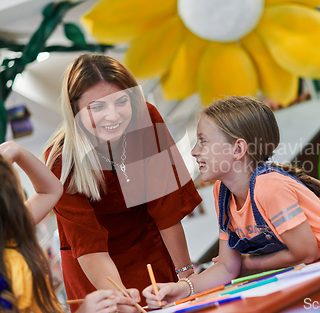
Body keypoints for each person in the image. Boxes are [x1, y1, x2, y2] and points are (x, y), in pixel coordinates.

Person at [143, 96, 320, 313]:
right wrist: (182, 289)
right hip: (306, 277)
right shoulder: (221, 191)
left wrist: (248, 262)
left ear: (238, 149)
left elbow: (306, 252)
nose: (194, 151)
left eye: (203, 140)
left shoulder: (269, 188)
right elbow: (226, 267)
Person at [43, 54, 202, 311]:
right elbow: (89, 245)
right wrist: (120, 301)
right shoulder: (61, 160)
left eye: (121, 101)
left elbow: (166, 208)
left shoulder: (145, 118)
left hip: (148, 248)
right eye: (96, 107)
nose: (113, 115)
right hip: (93, 268)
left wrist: (186, 276)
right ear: (75, 111)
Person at [0, 141, 132, 313]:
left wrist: (15, 150)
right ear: (15, 197)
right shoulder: (17, 266)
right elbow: (51, 190)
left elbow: (52, 190)